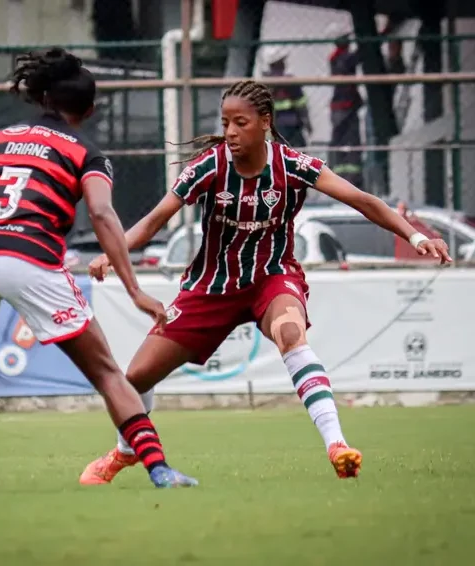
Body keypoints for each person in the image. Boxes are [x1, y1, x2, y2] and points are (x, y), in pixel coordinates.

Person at [79, 78, 452, 485]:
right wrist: (112, 255)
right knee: (136, 379)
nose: (231, 132)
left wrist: (416, 236)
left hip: (272, 279)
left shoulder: (293, 165)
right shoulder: (209, 167)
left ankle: (337, 445)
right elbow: (154, 220)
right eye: (225, 123)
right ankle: (126, 451)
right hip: (211, 288)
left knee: (291, 333)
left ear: (265, 122)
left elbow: (365, 201)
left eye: (240, 122)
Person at [0, 48, 197, 489]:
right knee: (107, 373)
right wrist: (134, 289)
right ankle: (159, 469)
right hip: (31, 259)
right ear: (91, 110)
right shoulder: (87, 153)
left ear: (40, 98)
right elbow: (101, 214)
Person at [327, 23, 364, 187]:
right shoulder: (341, 58)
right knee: (350, 140)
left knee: (342, 141)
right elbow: (360, 56)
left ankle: (344, 176)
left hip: (343, 105)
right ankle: (349, 178)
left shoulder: (337, 57)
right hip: (345, 105)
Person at [262, 46, 312, 148]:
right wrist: (307, 123)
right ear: (279, 63)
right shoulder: (290, 81)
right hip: (291, 123)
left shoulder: (264, 82)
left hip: (273, 125)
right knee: (298, 152)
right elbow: (301, 104)